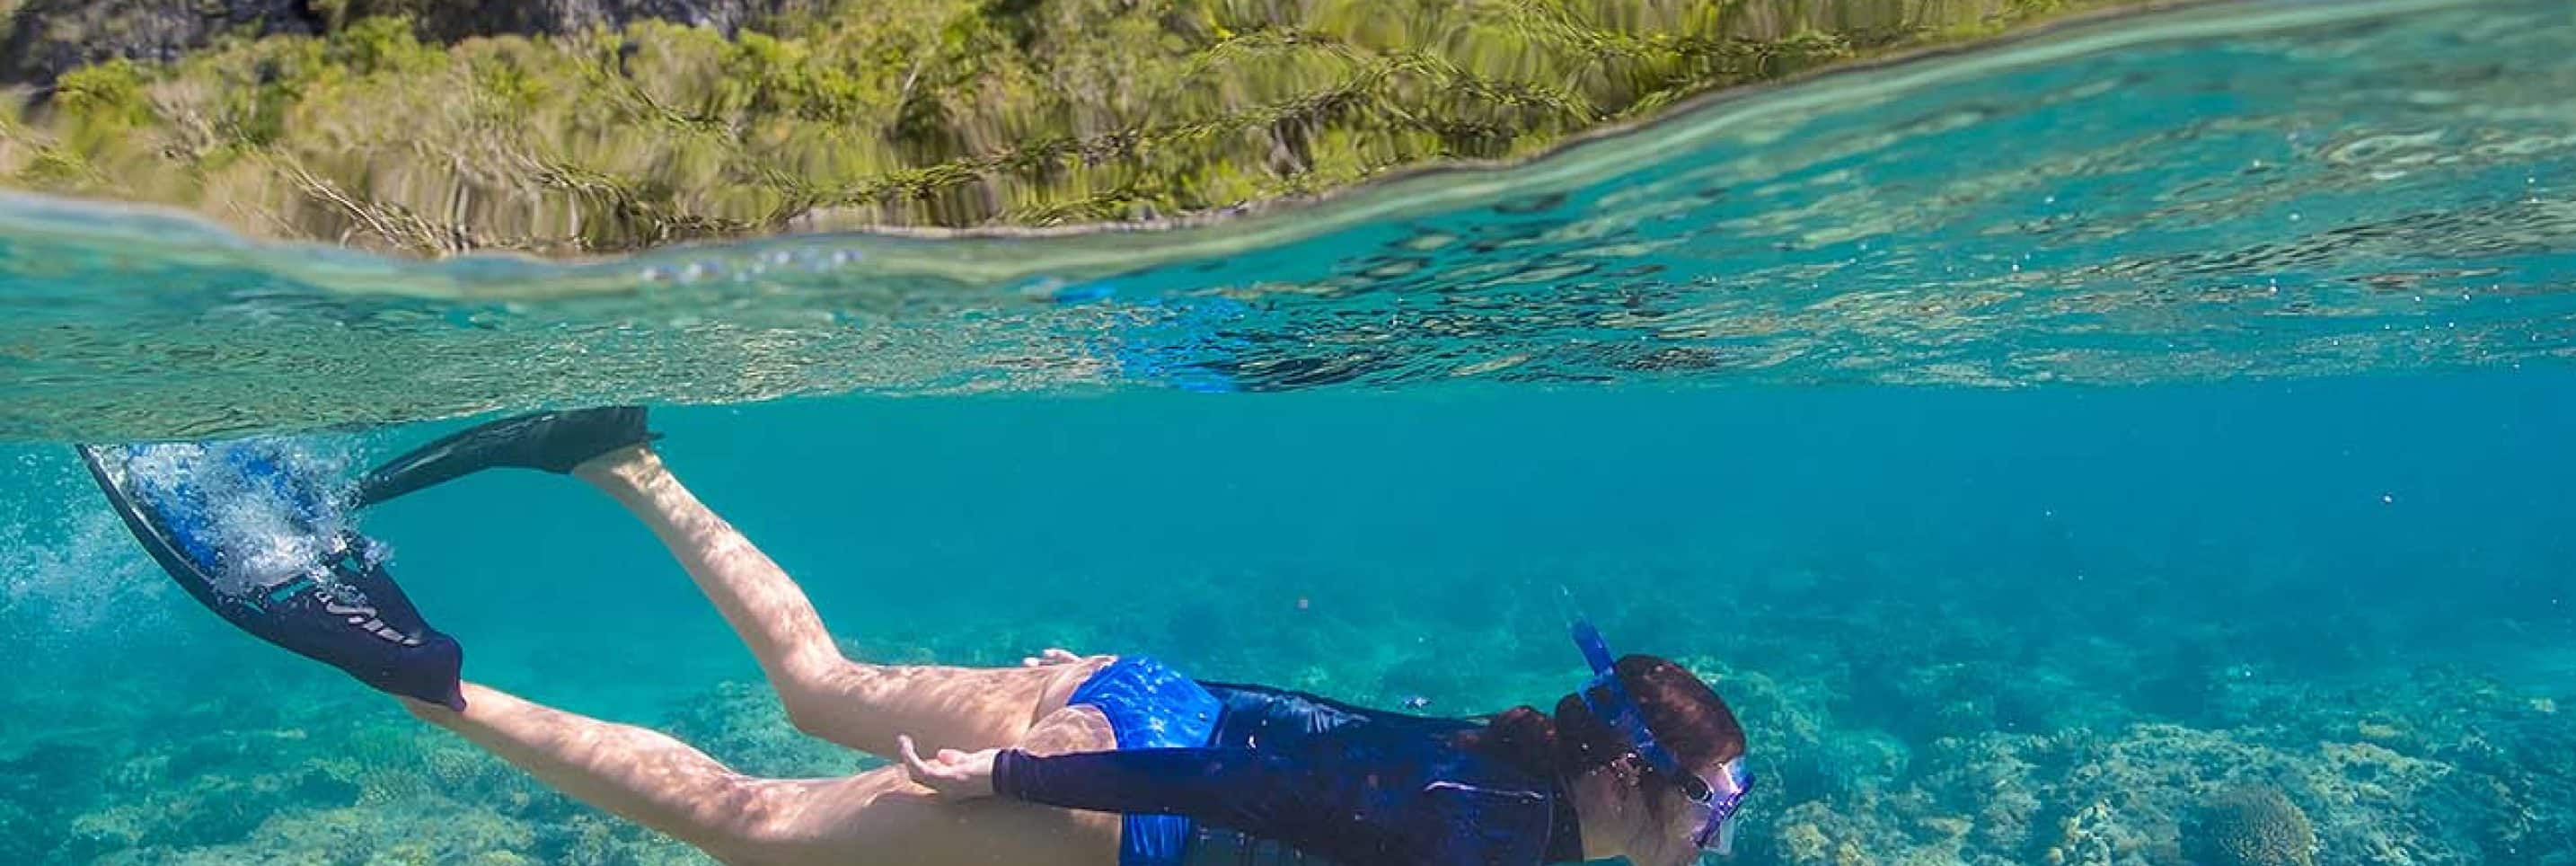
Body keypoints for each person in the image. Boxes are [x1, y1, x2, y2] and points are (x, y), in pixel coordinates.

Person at [88, 408, 1755, 866]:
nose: (1716, 832)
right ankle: (393, 660)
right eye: (1713, 807)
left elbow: (1308, 735)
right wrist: (1022, 774)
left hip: (1139, 692)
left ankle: (616, 452)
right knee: (739, 822)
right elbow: (1267, 804)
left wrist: (1081, 696)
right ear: (1630, 775)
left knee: (813, 683)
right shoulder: (1504, 831)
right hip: (1124, 792)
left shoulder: (1512, 758)